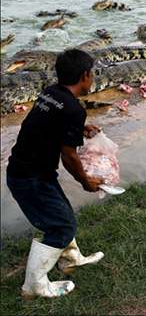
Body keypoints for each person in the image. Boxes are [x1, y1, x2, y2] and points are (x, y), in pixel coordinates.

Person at [6, 49, 105, 299]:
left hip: (25, 169)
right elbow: (69, 157)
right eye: (92, 73)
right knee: (61, 226)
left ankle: (70, 259)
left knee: (62, 212)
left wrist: (79, 129)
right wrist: (85, 181)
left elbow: (47, 121)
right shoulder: (74, 108)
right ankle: (34, 285)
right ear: (85, 76)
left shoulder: (50, 93)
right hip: (31, 178)